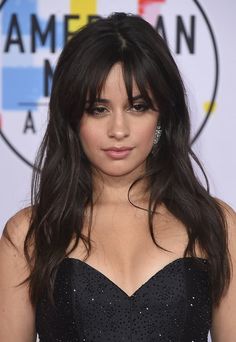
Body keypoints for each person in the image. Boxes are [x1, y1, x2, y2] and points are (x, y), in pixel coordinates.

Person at [0, 12, 235, 342]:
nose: (119, 130)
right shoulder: (28, 235)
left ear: (164, 116)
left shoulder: (216, 224)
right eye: (99, 109)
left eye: (138, 106)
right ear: (72, 118)